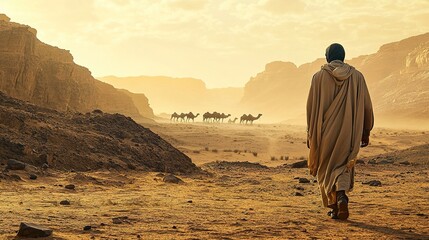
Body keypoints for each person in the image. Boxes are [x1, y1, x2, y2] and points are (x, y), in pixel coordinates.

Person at [306, 43, 374, 220]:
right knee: (344, 166)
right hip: (349, 133)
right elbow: (367, 106)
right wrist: (366, 130)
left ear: (327, 57)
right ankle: (341, 197)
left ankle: (335, 205)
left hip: (325, 134)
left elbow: (311, 109)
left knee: (327, 169)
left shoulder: (318, 77)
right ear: (343, 57)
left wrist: (311, 134)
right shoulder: (357, 77)